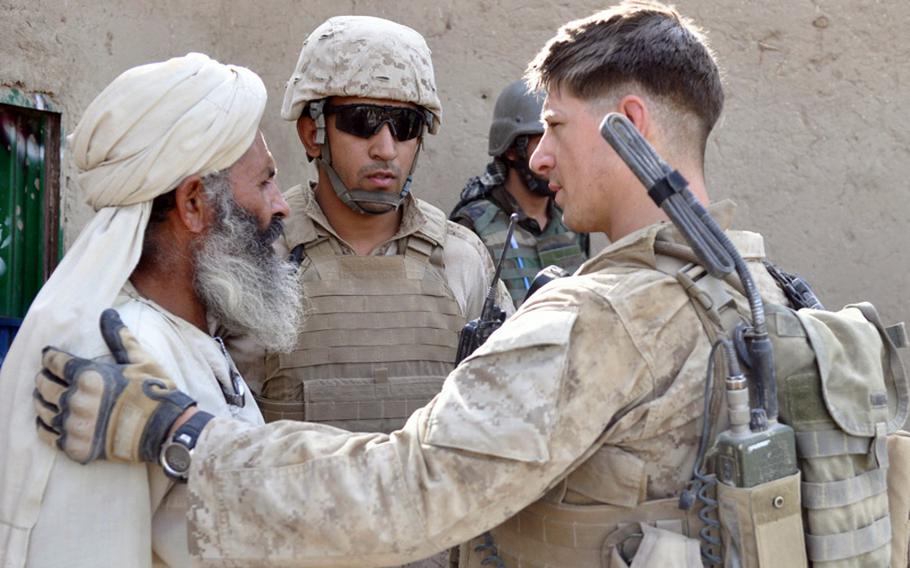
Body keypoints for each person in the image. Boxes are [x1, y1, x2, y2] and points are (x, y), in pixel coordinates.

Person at [33, 2, 793, 566]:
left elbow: (411, 486)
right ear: (314, 132)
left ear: (631, 123)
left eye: (555, 128)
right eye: (362, 120)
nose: (536, 161)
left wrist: (181, 438)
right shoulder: (767, 295)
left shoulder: (593, 317)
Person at [0, 53, 302, 567]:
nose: (281, 204)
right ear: (193, 205)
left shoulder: (188, 339)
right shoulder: (116, 358)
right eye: (266, 180)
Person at [229, 15, 513, 434]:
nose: (385, 149)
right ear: (313, 133)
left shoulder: (461, 260)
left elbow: (508, 411)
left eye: (404, 126)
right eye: (362, 121)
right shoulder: (259, 257)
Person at [450, 80, 589, 306]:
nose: (552, 157)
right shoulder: (474, 226)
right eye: (541, 142)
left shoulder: (573, 218)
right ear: (512, 150)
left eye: (560, 142)